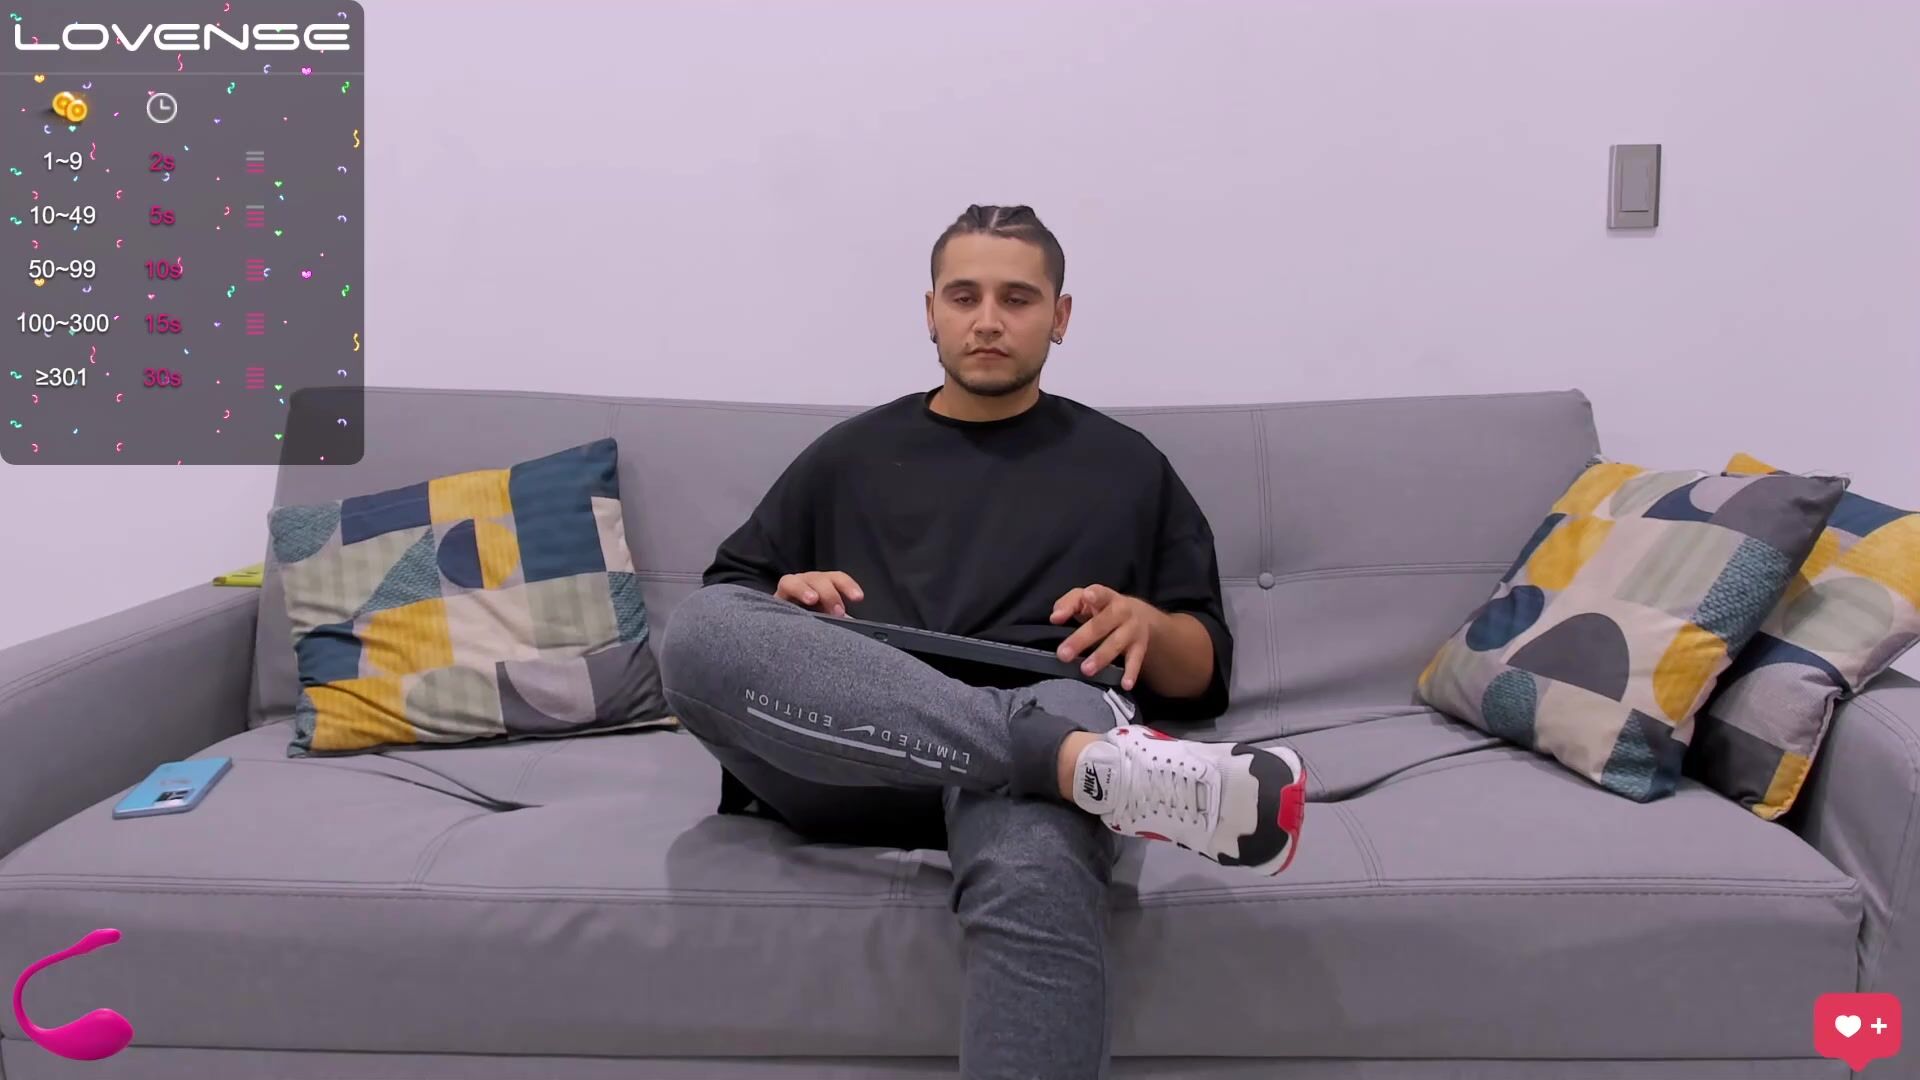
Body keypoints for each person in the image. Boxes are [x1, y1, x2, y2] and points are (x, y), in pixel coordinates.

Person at [656, 204, 1308, 1080]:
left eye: (1017, 299)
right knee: (699, 628)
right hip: (858, 747)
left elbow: (1204, 670)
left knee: (1037, 849)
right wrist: (787, 595)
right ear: (930, 312)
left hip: (1050, 706)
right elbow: (727, 611)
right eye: (964, 297)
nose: (988, 320)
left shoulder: (1127, 465)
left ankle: (1056, 759)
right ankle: (1064, 761)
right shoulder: (849, 455)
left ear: (1060, 316)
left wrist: (1151, 627)